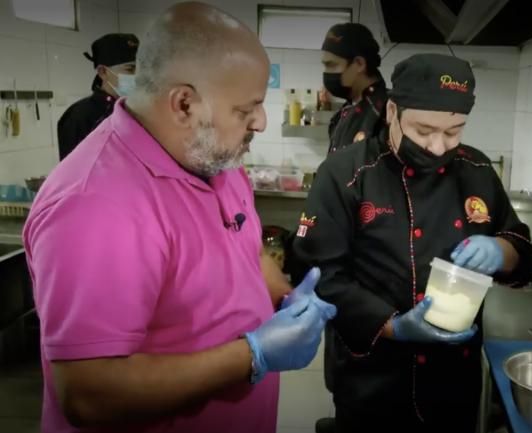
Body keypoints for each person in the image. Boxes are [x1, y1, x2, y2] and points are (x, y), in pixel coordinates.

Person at [23, 3, 335, 433]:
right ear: (184, 104)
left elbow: (244, 252)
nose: (261, 122)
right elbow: (89, 394)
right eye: (246, 109)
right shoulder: (97, 206)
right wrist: (252, 355)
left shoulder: (216, 160)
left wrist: (287, 299)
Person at [294, 53, 532, 432]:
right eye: (424, 131)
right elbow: (318, 274)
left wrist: (500, 251)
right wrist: (394, 325)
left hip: (454, 379)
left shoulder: (477, 169)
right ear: (393, 111)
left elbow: (518, 245)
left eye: (454, 131)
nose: (439, 146)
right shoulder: (345, 173)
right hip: (373, 377)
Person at [57, 33, 139, 160]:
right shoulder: (79, 117)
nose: (138, 76)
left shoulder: (137, 112)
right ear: (103, 72)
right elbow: (73, 168)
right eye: (130, 69)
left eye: (141, 69)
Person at [321, 23, 387, 154]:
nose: (327, 73)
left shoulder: (386, 114)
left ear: (359, 64)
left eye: (332, 65)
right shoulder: (345, 112)